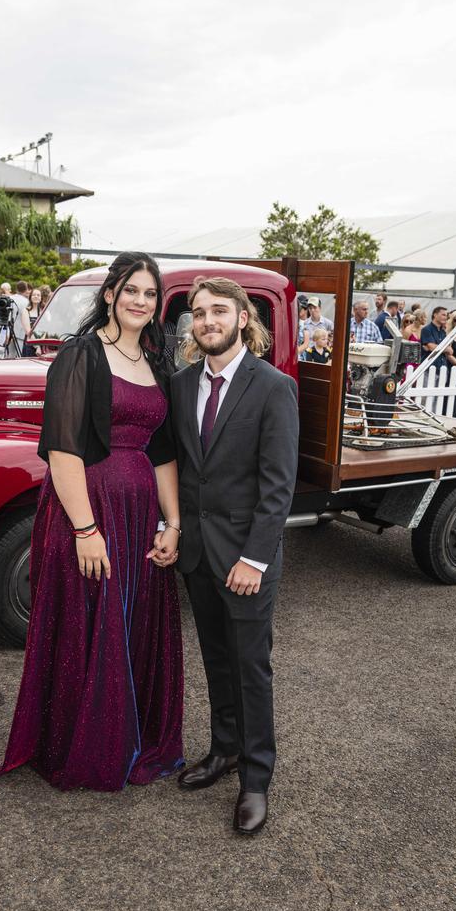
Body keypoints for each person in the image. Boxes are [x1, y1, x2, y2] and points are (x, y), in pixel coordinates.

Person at [0, 251, 184, 792]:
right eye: (131, 291)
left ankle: (130, 735)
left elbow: (164, 451)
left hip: (141, 511)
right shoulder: (81, 355)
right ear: (110, 296)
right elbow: (63, 451)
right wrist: (85, 529)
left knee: (135, 620)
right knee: (87, 622)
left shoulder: (158, 363)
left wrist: (173, 523)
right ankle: (80, 742)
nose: (140, 301)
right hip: (87, 506)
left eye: (150, 293)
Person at [165, 275, 298, 836]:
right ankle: (223, 752)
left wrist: (256, 560)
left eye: (218, 311)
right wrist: (171, 528)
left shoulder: (272, 387)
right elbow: (181, 468)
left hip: (247, 561)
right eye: (198, 313)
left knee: (250, 668)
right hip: (197, 555)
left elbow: (277, 486)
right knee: (216, 661)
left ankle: (256, 778)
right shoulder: (180, 384)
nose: (207, 321)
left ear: (244, 318)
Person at [420, 306, 453, 371]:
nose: (445, 317)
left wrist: (438, 348)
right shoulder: (427, 329)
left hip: (443, 368)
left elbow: (450, 351)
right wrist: (445, 349)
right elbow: (431, 347)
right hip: (429, 368)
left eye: (446, 315)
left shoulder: (443, 332)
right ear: (435, 315)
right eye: (443, 315)